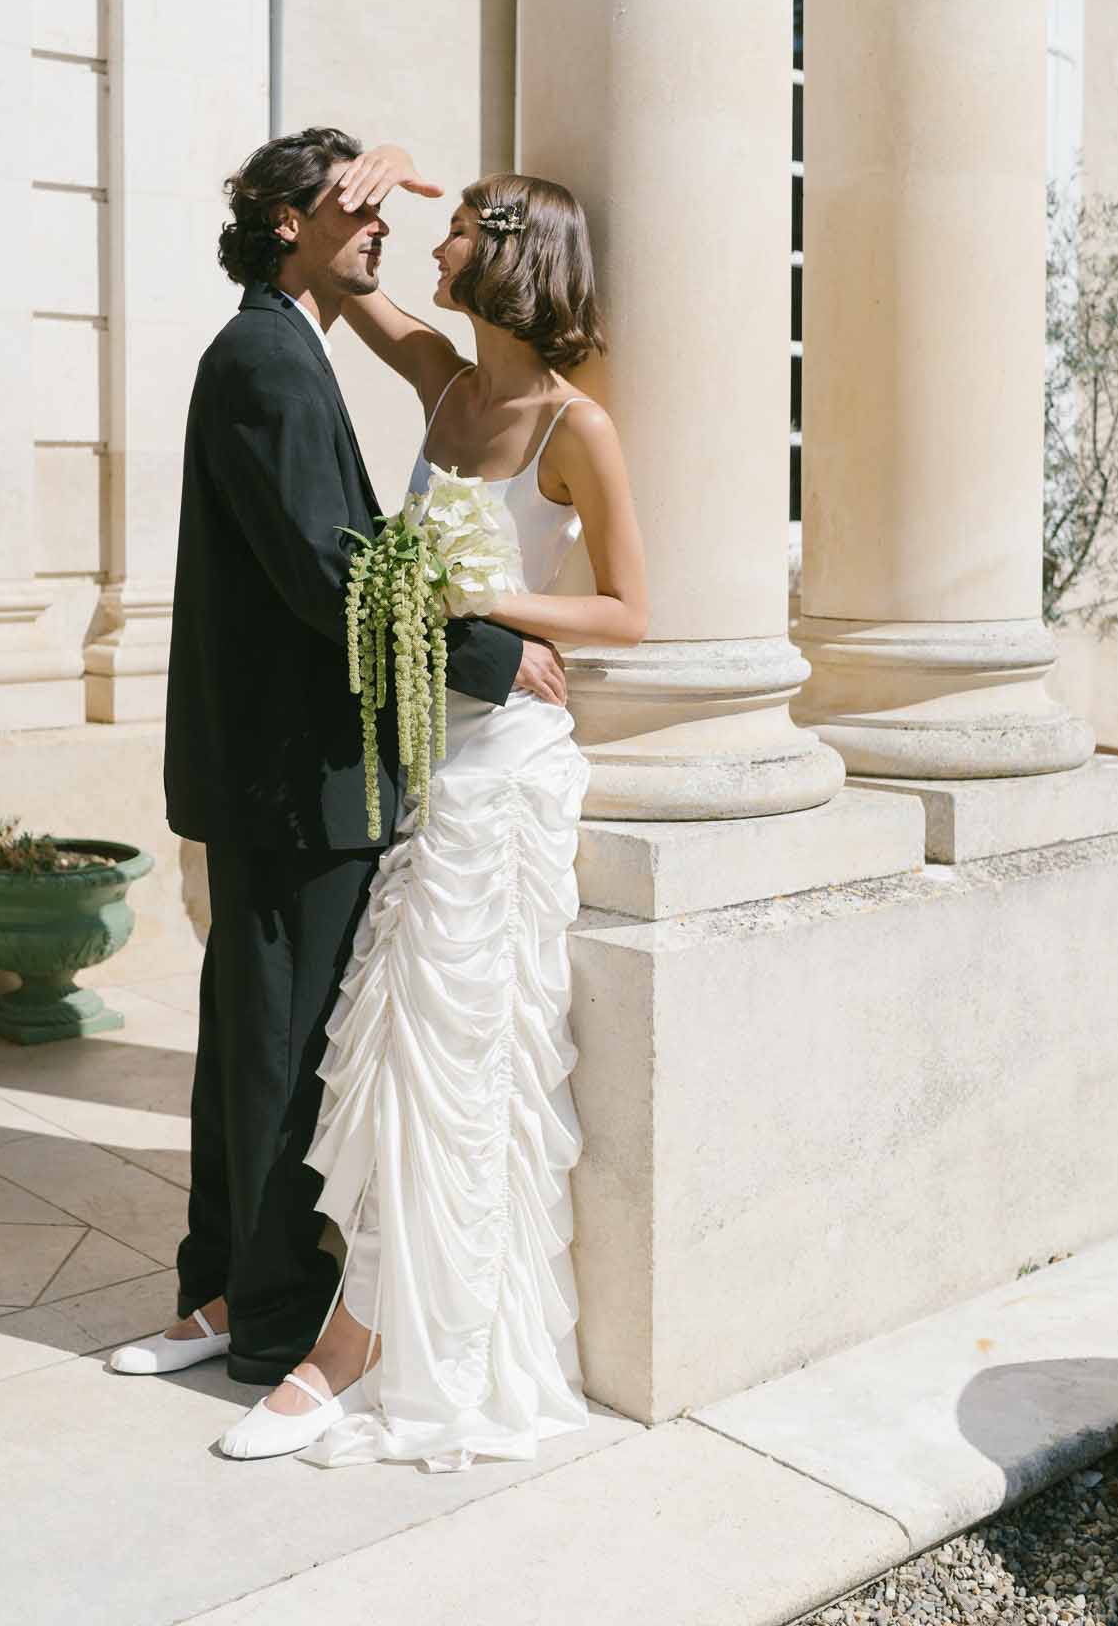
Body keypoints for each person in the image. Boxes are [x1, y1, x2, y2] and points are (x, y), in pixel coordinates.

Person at [109, 129, 566, 1387]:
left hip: (276, 770)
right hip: (296, 776)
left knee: (247, 1043)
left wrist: (356, 194)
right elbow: (330, 572)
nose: (379, 227)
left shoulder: (282, 342)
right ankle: (260, 1324)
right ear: (284, 223)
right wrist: (489, 657)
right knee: (276, 1055)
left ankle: (211, 1293)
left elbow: (374, 331)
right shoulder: (264, 357)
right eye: (352, 210)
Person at [220, 150, 648, 1467]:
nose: (432, 243)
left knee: (445, 1047)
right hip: (417, 754)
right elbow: (341, 294)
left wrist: (482, 607)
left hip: (505, 765)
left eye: (454, 226)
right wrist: (365, 183)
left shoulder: (578, 426)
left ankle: (351, 1350)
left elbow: (630, 609)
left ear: (509, 257)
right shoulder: (446, 383)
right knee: (388, 1045)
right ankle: (349, 1316)